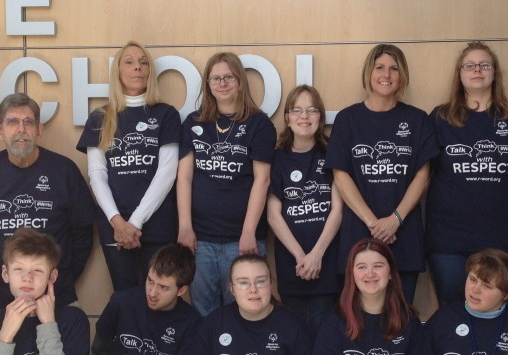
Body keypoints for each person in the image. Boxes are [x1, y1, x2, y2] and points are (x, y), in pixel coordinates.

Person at [0, 93, 94, 334]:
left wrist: (58, 276)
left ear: (39, 129)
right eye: (12, 122)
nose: (21, 129)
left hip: (54, 299)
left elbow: (83, 233)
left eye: (28, 122)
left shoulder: (64, 171)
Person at [426, 41, 508, 305]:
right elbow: (423, 179)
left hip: (500, 240)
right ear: (460, 73)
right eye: (470, 65)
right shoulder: (440, 117)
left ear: (494, 73)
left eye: (484, 65)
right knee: (454, 315)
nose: (477, 70)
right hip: (447, 240)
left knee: (496, 316)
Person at [325, 44, 438, 304]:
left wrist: (395, 219)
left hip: (404, 236)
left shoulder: (417, 120)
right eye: (380, 67)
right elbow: (340, 176)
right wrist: (374, 223)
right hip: (359, 237)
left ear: (402, 75)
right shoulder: (347, 119)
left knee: (400, 319)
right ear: (369, 73)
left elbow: (423, 175)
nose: (386, 74)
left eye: (394, 68)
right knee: (358, 322)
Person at [176, 52, 276, 316]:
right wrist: (185, 227)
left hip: (241, 240)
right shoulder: (193, 123)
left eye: (228, 77)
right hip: (200, 241)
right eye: (216, 78)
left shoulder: (259, 124)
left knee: (246, 314)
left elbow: (262, 180)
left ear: (240, 81)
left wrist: (248, 232)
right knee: (203, 315)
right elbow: (184, 177)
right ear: (208, 84)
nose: (222, 83)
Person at [76, 41, 181, 291]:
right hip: (115, 227)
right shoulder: (100, 117)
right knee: (125, 298)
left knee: (159, 298)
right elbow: (97, 175)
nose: (138, 68)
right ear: (118, 72)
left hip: (157, 225)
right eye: (130, 62)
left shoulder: (166, 114)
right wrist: (118, 222)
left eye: (143, 62)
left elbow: (167, 173)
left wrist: (135, 223)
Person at [312, 238, 429, 355]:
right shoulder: (334, 321)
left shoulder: (409, 320)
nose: (370, 273)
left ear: (390, 273)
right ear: (351, 274)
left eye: (378, 266)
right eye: (361, 267)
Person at [174, 254, 317, 355]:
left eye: (261, 281)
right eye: (243, 283)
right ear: (232, 289)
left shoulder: (294, 327)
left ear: (271, 285)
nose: (253, 289)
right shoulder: (213, 324)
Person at [267, 84, 342, 331]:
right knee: (294, 334)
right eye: (297, 110)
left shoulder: (332, 153)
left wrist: (316, 255)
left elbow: (337, 210)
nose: (304, 117)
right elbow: (273, 215)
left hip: (327, 263)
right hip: (293, 267)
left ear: (320, 116)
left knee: (324, 333)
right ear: (287, 118)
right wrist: (301, 256)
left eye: (311, 110)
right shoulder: (277, 158)